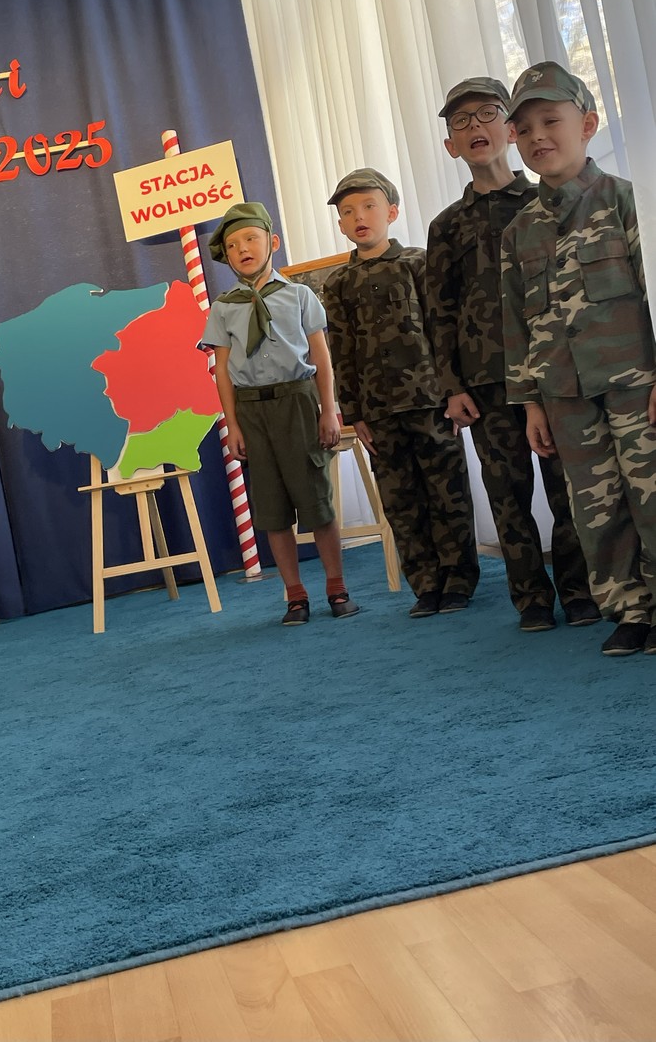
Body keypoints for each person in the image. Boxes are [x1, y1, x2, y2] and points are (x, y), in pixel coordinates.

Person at [425, 77, 598, 633]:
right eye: (460, 122)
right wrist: (451, 387)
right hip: (484, 381)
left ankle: (579, 591)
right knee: (507, 495)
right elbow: (438, 313)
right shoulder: (445, 226)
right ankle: (530, 600)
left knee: (567, 486)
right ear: (451, 145)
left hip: (552, 371)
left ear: (511, 128)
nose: (475, 127)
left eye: (486, 114)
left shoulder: (544, 201)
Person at [501, 60, 656, 657]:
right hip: (564, 395)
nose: (537, 136)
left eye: (551, 120)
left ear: (587, 124)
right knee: (597, 509)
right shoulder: (519, 233)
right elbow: (516, 324)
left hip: (634, 385)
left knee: (651, 496)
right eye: (524, 128)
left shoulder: (626, 200)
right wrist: (530, 404)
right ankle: (630, 611)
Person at [323, 168, 479, 618]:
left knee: (447, 492)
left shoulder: (417, 263)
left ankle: (458, 580)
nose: (359, 217)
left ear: (391, 212)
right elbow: (341, 350)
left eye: (369, 206)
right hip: (378, 411)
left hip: (430, 401)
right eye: (348, 211)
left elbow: (441, 331)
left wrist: (453, 390)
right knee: (400, 500)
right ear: (340, 223)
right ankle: (425, 585)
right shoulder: (337, 283)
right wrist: (354, 412)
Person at [200, 201, 360, 625]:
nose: (242, 249)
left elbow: (321, 358)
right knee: (271, 509)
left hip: (298, 402)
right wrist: (232, 425)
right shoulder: (223, 307)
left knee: (317, 500)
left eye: (250, 239)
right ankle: (295, 596)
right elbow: (222, 372)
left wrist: (329, 410)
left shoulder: (299, 295)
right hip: (252, 411)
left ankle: (336, 587)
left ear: (272, 242)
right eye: (232, 245)